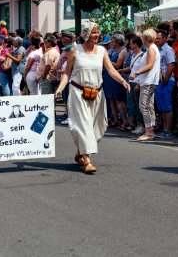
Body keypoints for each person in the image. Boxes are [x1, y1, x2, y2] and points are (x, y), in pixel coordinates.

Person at [55, 23, 130, 174]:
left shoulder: (102, 51)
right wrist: (60, 88)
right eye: (93, 32)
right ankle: (87, 161)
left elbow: (111, 70)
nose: (97, 35)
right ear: (86, 34)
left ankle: (80, 152)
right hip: (78, 92)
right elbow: (67, 73)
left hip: (97, 93)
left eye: (98, 32)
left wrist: (122, 81)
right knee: (83, 125)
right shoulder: (76, 51)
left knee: (97, 127)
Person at [129, 29, 161, 141]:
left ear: (146, 38)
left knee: (144, 106)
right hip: (147, 81)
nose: (141, 39)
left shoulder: (151, 49)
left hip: (148, 81)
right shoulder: (151, 49)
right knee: (148, 106)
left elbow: (150, 65)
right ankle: (150, 131)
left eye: (143, 37)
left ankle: (148, 132)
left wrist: (136, 73)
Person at [103, 34, 128, 129]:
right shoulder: (112, 51)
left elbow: (118, 65)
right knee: (111, 99)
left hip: (117, 77)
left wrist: (107, 61)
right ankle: (116, 119)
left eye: (113, 41)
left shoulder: (123, 51)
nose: (111, 43)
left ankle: (125, 120)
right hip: (108, 77)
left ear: (118, 42)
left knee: (118, 99)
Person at [154, 30, 176, 138]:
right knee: (162, 107)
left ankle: (168, 130)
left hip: (167, 81)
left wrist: (166, 79)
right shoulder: (158, 50)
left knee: (167, 106)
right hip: (160, 82)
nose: (156, 40)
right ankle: (164, 129)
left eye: (158, 38)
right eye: (156, 38)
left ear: (164, 38)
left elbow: (171, 65)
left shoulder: (168, 50)